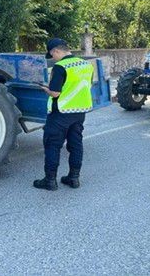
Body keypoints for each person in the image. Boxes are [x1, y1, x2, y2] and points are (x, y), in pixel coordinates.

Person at [33, 38, 94, 191]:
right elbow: (86, 85)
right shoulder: (86, 65)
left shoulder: (60, 67)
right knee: (76, 145)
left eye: (52, 55)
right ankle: (74, 178)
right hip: (79, 112)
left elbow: (55, 93)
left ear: (56, 51)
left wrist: (45, 89)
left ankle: (50, 180)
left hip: (60, 112)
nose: (53, 58)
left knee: (53, 145)